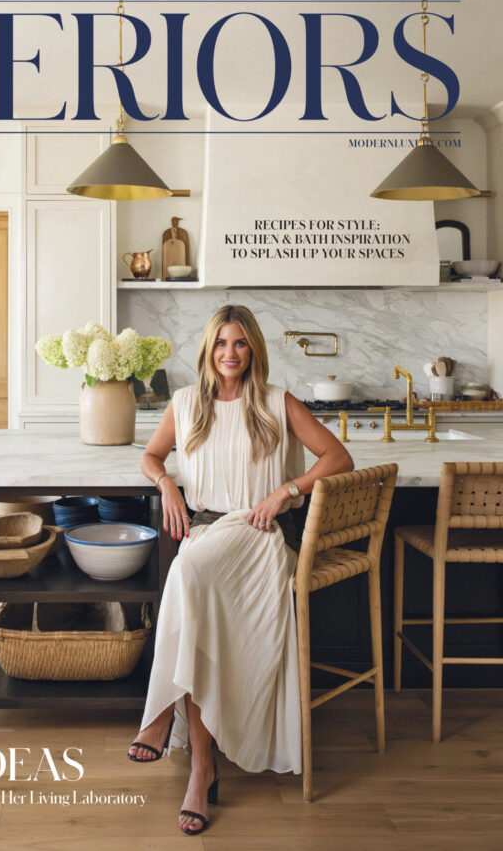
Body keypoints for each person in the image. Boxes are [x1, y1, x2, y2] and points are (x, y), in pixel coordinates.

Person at [127, 304, 354, 835]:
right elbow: (151, 455)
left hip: (259, 538)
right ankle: (201, 769)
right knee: (191, 581)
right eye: (222, 343)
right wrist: (166, 483)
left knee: (185, 577)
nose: (230, 353)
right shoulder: (185, 404)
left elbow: (337, 457)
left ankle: (161, 717)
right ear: (209, 348)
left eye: (241, 344)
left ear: (254, 350)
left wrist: (285, 490)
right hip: (208, 535)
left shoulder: (277, 402)